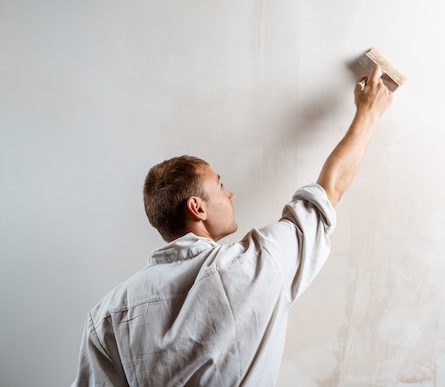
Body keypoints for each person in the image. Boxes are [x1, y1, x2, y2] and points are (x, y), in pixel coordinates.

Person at [71, 65, 394, 386]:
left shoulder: (108, 316)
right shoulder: (252, 267)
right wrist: (367, 114)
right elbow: (328, 191)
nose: (231, 194)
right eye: (220, 186)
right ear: (196, 207)